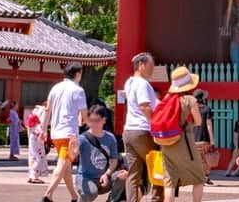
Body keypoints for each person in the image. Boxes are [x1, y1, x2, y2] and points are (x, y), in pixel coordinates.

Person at [153, 67, 209, 202]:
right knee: (199, 178)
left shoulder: (167, 99)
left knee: (170, 181)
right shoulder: (190, 100)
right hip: (185, 143)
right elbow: (199, 121)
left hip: (166, 143)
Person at [47, 64, 91, 202]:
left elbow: (48, 109)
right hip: (69, 133)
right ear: (77, 74)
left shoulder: (55, 88)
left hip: (55, 132)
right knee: (62, 164)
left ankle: (73, 196)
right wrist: (90, 125)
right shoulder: (78, 90)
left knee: (66, 166)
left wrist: (43, 129)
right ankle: (48, 194)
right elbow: (84, 113)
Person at [124, 53, 163, 202]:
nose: (153, 70)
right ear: (141, 65)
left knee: (133, 172)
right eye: (151, 66)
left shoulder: (129, 82)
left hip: (129, 130)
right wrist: (156, 123)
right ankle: (156, 199)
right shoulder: (142, 84)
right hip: (142, 130)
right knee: (158, 165)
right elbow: (145, 107)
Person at [77, 105, 128, 202]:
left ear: (104, 120)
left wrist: (107, 174)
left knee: (122, 176)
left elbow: (114, 160)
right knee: (91, 192)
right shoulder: (83, 138)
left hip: (104, 178)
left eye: (97, 120)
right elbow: (72, 156)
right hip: (86, 179)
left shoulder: (110, 137)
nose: (94, 124)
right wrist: (72, 149)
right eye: (91, 120)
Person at [29, 100, 51, 183]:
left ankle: (32, 175)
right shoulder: (45, 111)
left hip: (32, 135)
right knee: (39, 157)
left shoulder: (36, 110)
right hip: (38, 136)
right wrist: (43, 134)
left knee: (33, 156)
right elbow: (41, 124)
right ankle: (34, 176)